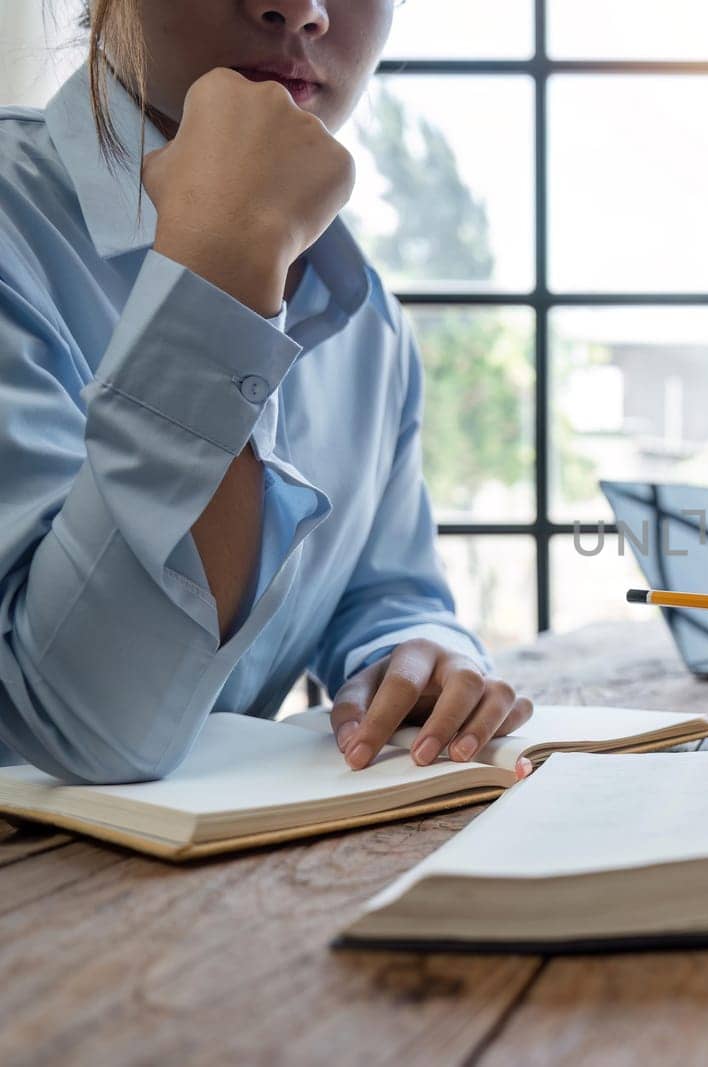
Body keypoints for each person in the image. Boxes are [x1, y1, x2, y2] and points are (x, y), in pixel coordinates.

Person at [0, 0, 535, 783]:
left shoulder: (366, 321)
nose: (303, 11)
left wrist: (418, 652)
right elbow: (85, 728)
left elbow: (385, 590)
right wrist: (224, 271)